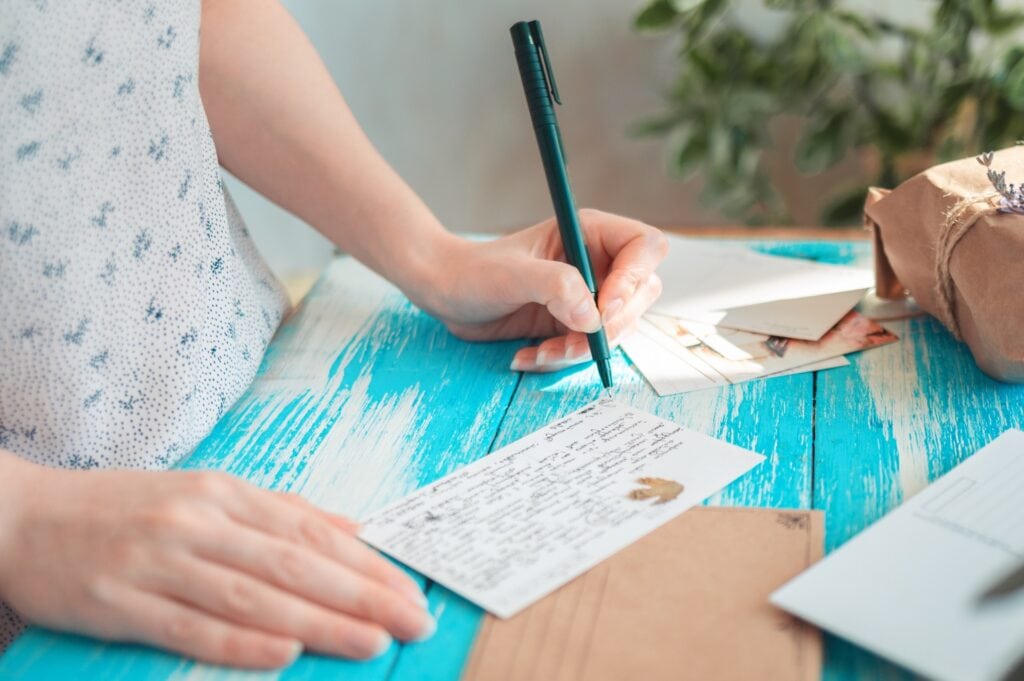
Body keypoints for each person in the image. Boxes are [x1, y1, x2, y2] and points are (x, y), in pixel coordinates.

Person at [0, 0, 667, 670]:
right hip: (44, 579)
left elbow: (187, 17)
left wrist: (431, 258)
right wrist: (23, 515)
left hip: (264, 397)